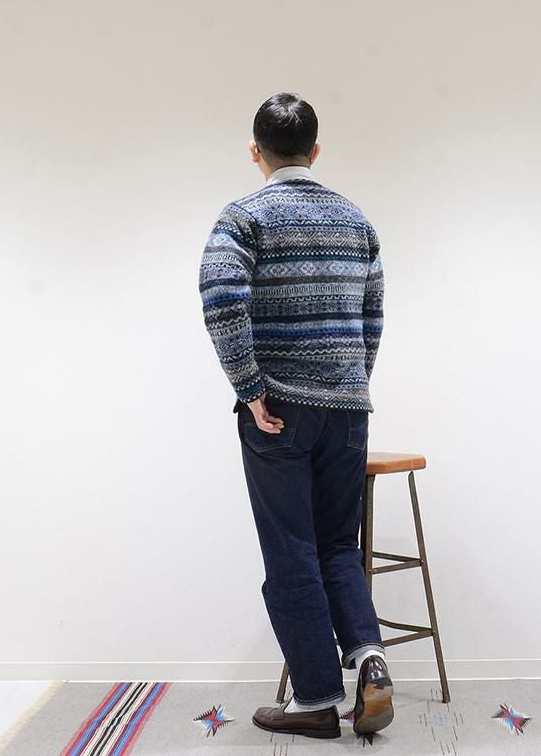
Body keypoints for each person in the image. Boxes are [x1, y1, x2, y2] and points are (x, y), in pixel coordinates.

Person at [198, 91, 393, 739]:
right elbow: (372, 317)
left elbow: (221, 297)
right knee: (339, 546)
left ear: (255, 151)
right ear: (316, 151)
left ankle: (315, 701)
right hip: (347, 409)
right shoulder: (356, 221)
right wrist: (351, 384)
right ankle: (371, 661)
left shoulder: (244, 217)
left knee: (292, 554)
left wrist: (250, 388)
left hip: (277, 412)